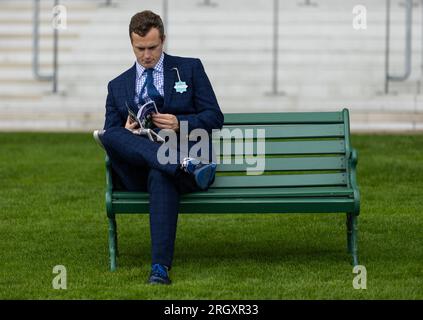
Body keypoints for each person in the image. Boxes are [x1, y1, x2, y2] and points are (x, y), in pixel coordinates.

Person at [93, 10, 223, 285]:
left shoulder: (189, 68)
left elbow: (214, 117)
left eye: (152, 47)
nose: (146, 55)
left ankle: (159, 269)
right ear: (131, 44)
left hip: (176, 170)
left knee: (161, 173)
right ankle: (181, 162)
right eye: (139, 48)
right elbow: (112, 138)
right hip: (138, 171)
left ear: (163, 40)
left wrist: (180, 123)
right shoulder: (116, 86)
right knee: (111, 133)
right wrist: (127, 131)